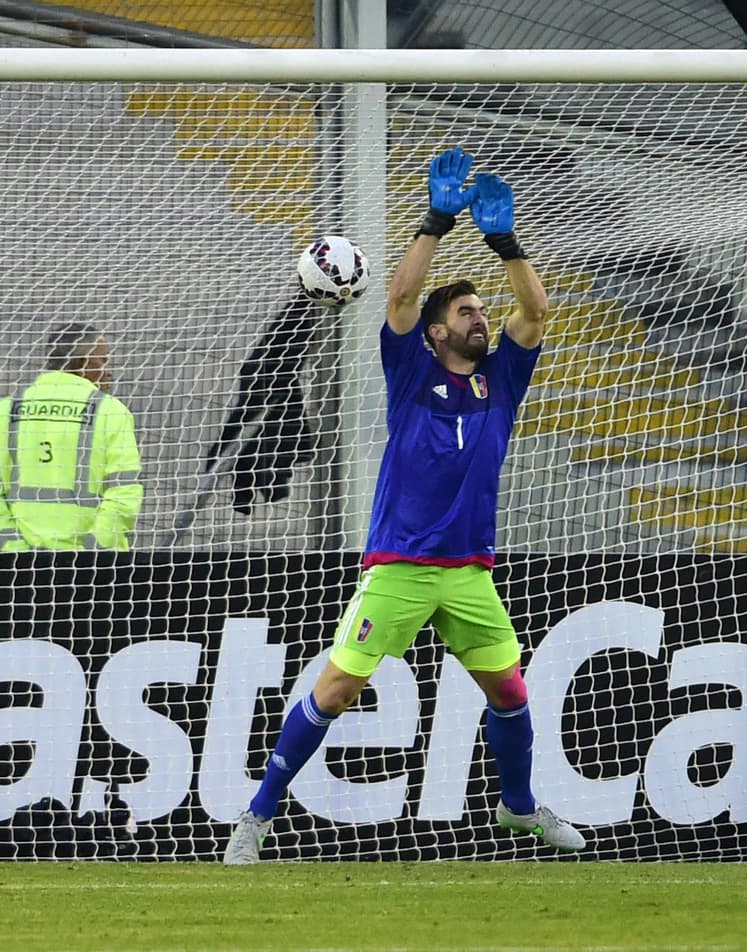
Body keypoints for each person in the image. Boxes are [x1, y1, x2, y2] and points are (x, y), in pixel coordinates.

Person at [223, 148, 584, 864]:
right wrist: (436, 223)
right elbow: (399, 300)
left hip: (469, 571)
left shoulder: (503, 379)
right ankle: (256, 817)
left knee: (510, 692)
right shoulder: (412, 370)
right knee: (335, 690)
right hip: (401, 565)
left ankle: (518, 809)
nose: (481, 319)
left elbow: (537, 310)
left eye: (482, 310)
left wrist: (506, 243)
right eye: (466, 312)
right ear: (437, 331)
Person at [0, 322, 142, 551]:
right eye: (103, 360)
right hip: (92, 565)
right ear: (81, 363)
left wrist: (14, 550)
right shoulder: (110, 411)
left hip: (17, 565)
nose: (108, 371)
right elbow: (124, 491)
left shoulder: (7, 410)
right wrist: (92, 555)